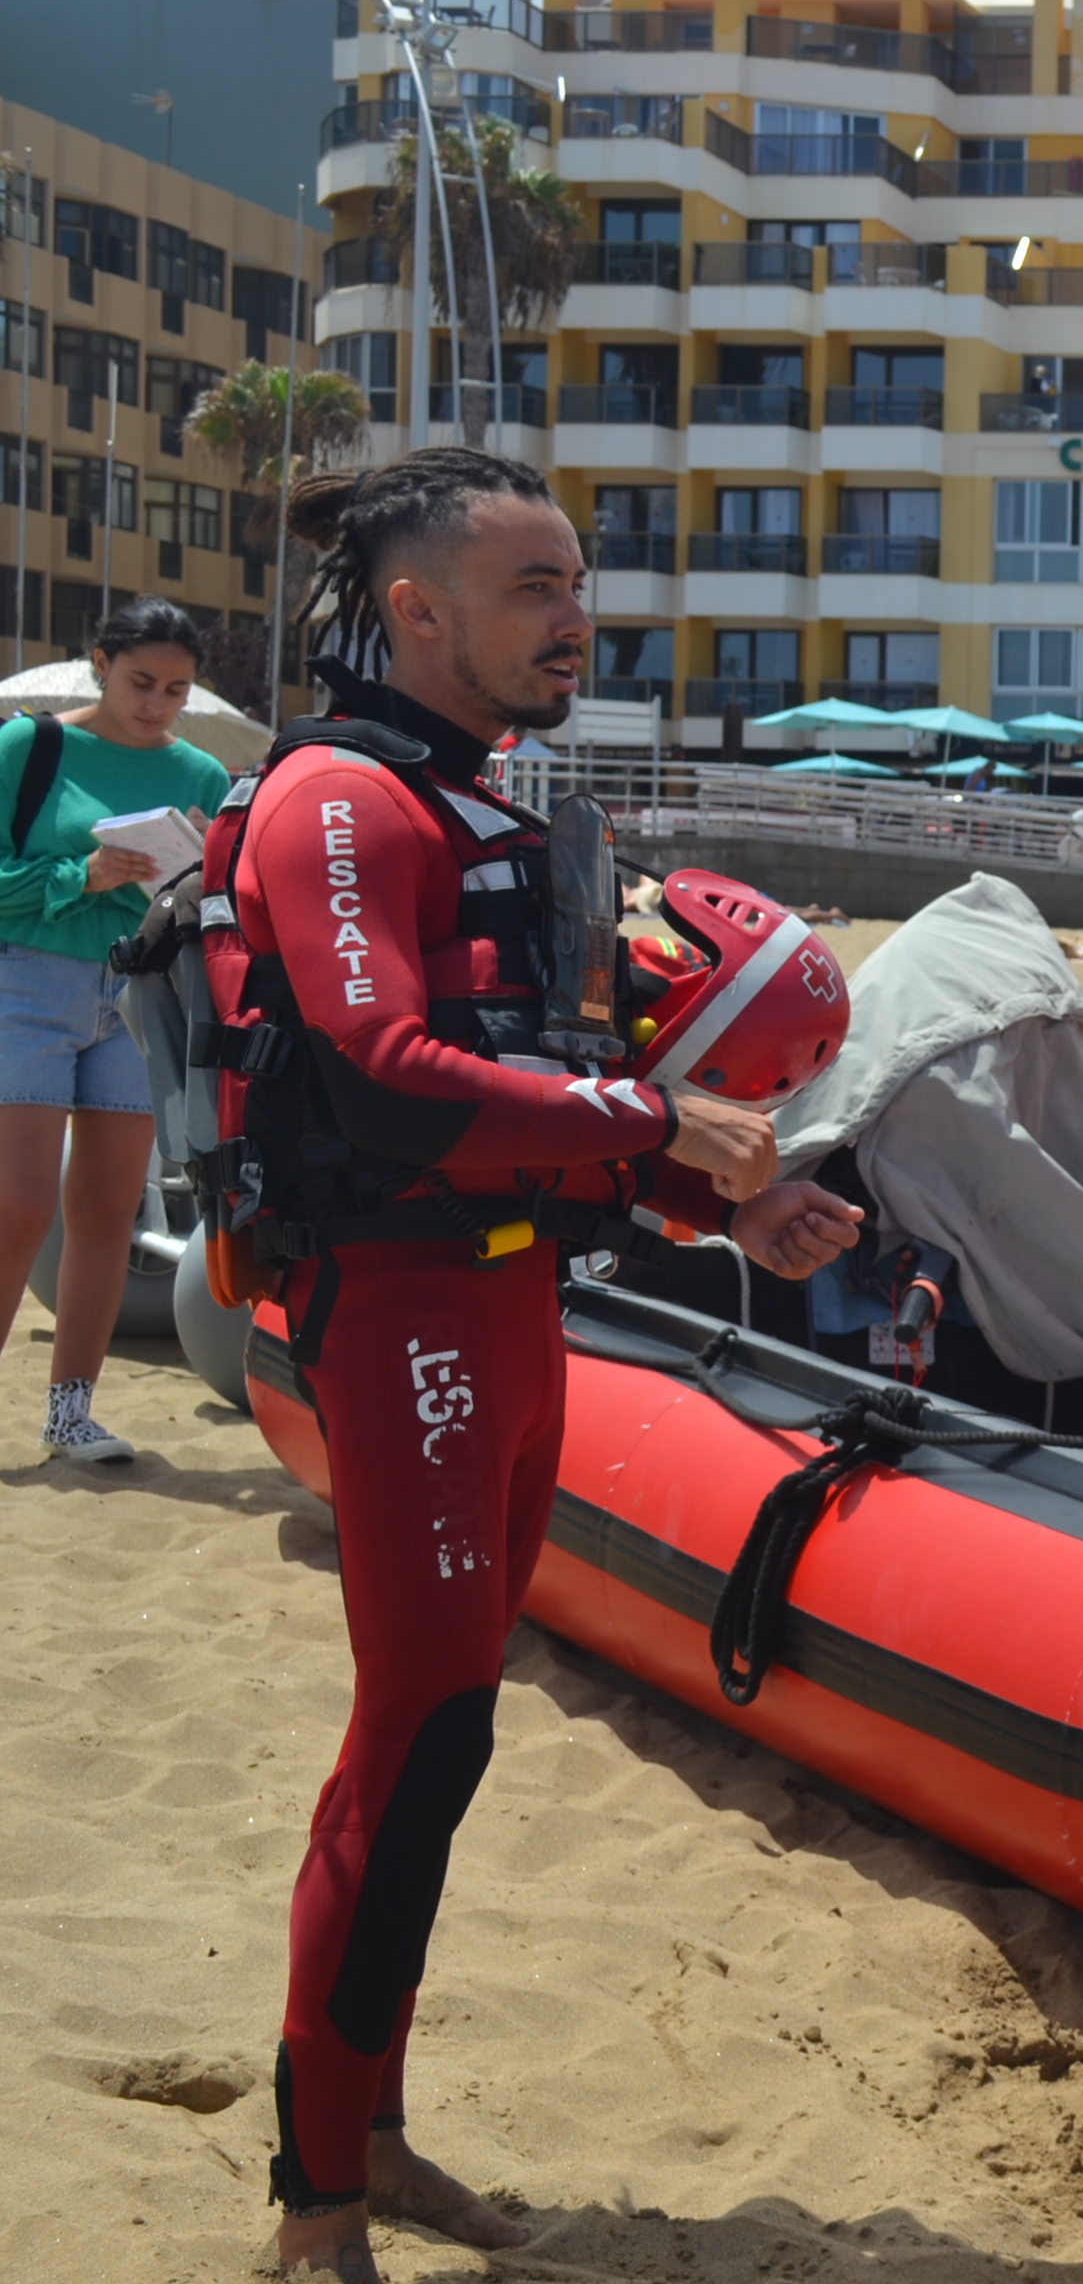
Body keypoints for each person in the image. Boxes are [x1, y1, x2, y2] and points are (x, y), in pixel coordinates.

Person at [240, 448, 863, 2279]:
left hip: (513, 1313)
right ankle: (317, 2205)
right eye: (530, 586)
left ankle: (373, 2134)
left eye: (576, 578)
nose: (574, 614)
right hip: (406, 1323)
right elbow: (380, 1070)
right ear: (416, 606)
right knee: (415, 1740)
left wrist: (703, 1200)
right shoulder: (343, 799)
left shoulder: (490, 802)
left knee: (448, 1738)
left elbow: (537, 1081)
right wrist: (651, 1113)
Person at [0, 596, 231, 1461]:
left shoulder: (203, 776)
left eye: (176, 690)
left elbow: (222, 910)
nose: (158, 704)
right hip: (26, 980)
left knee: (104, 1211)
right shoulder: (30, 746)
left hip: (143, 993)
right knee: (17, 1208)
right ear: (100, 662)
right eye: (142, 682)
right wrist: (81, 874)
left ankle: (71, 1416)